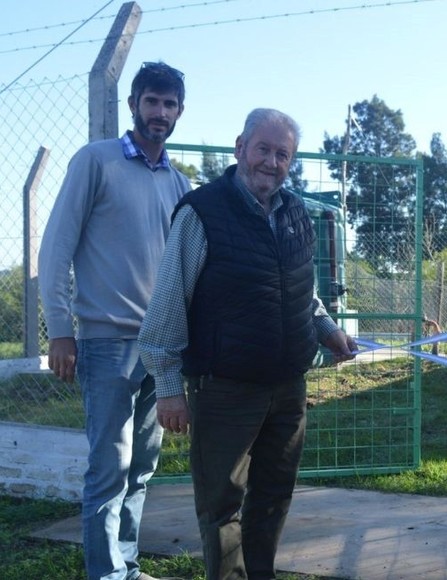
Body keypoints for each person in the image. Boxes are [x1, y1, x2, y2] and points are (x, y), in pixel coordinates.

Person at [138, 107, 357, 580]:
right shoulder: (202, 212)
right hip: (225, 389)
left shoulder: (295, 211)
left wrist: (327, 329)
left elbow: (303, 291)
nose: (272, 162)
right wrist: (168, 384)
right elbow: (170, 299)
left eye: (283, 154)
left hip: (288, 387)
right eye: (264, 149)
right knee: (222, 507)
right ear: (240, 148)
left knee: (274, 497)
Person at [38, 61, 188, 580]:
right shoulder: (95, 161)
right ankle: (104, 574)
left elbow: (182, 267)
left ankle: (126, 565)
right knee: (109, 471)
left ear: (179, 112)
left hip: (160, 350)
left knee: (142, 470)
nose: (160, 113)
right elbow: (56, 247)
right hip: (105, 343)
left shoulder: (178, 181)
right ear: (133, 105)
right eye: (152, 101)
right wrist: (60, 328)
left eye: (170, 105)